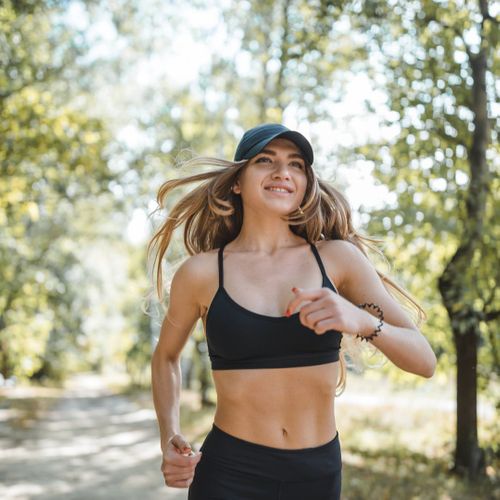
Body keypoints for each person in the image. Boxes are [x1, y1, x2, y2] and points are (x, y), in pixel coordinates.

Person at [148, 123, 437, 499]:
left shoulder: (337, 260)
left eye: (296, 164)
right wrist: (169, 434)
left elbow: (425, 361)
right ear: (237, 181)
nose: (282, 172)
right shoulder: (202, 272)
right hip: (230, 471)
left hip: (315, 475)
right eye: (265, 161)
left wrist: (359, 319)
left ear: (305, 182)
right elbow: (166, 357)